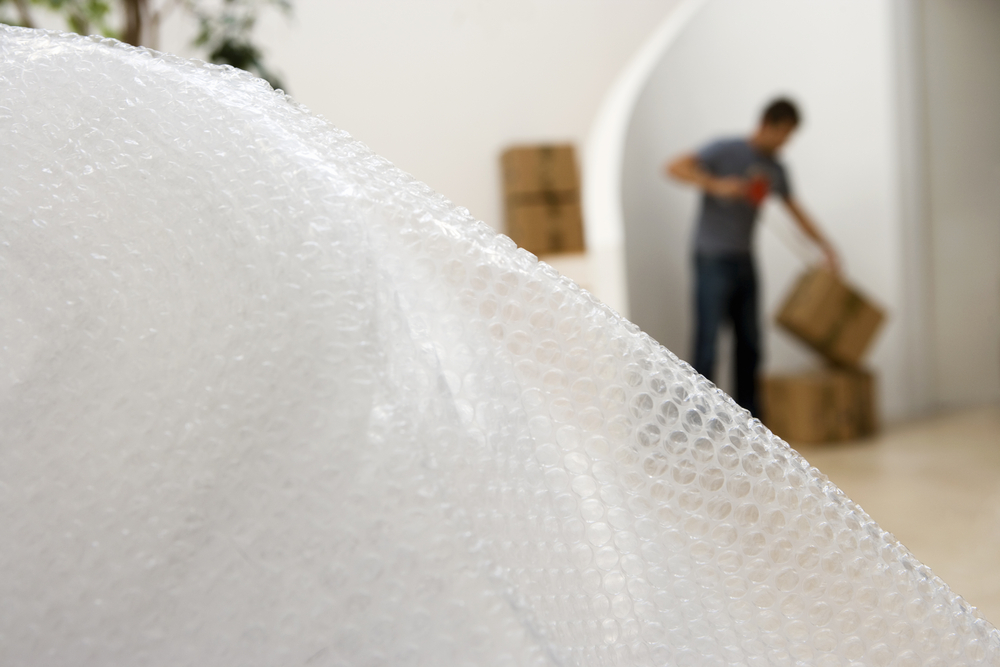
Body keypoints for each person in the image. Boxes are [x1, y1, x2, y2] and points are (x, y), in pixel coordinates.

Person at [665, 98, 838, 419]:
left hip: (744, 261)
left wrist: (826, 247)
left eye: (791, 137)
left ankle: (750, 423)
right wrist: (716, 185)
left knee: (751, 344)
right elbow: (673, 167)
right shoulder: (724, 149)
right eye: (783, 134)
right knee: (708, 343)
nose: (786, 143)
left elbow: (795, 211)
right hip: (711, 257)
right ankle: (697, 422)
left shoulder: (776, 168)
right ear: (765, 125)